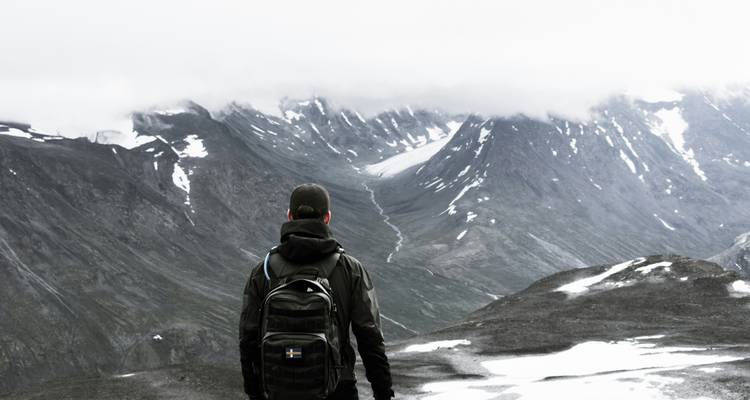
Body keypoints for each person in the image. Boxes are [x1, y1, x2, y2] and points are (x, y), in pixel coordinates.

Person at [239, 183, 394, 400]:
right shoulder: (350, 269)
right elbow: (370, 338)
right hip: (338, 387)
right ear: (327, 217)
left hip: (277, 389)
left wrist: (255, 393)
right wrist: (383, 393)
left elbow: (247, 339)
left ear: (290, 215)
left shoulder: (262, 270)